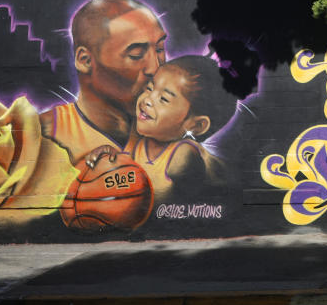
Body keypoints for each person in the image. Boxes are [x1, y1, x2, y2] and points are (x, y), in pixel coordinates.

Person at [89, 55, 237, 203]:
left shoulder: (183, 155)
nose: (147, 100)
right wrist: (110, 157)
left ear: (196, 126)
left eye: (164, 99)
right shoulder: (140, 139)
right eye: (149, 88)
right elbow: (127, 168)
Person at [40, 0, 167, 164]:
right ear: (85, 60)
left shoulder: (174, 133)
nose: (156, 68)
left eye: (160, 49)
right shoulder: (41, 136)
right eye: (136, 55)